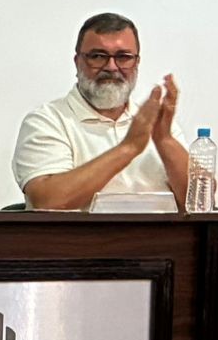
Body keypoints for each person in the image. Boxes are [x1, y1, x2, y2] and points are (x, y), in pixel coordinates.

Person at [11, 13, 188, 210]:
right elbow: (47, 200)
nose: (111, 67)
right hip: (78, 241)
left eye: (123, 57)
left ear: (136, 63)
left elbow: (200, 201)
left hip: (161, 240)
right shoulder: (47, 121)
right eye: (98, 56)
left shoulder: (154, 123)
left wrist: (165, 140)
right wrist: (128, 148)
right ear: (77, 62)